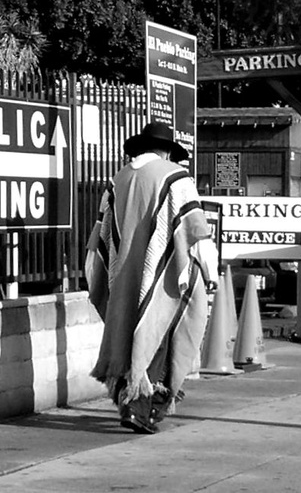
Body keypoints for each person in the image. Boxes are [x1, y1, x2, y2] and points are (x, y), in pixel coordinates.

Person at [85, 120, 219, 434]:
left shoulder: (117, 180)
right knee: (162, 332)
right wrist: (210, 272)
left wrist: (101, 275)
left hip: (122, 277)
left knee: (130, 332)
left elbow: (101, 232)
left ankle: (138, 400)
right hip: (161, 275)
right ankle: (139, 407)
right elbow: (195, 231)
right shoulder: (175, 177)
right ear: (165, 151)